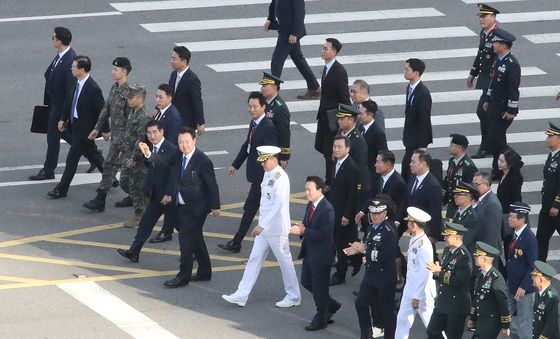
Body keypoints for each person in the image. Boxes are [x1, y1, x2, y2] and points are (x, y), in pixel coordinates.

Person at [222, 146, 300, 307]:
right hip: (265, 228)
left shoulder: (281, 178)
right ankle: (242, 294)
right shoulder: (268, 174)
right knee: (254, 259)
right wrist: (262, 224)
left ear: (273, 159)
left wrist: (262, 225)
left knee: (285, 262)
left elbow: (278, 205)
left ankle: (293, 296)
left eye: (264, 162)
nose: (262, 165)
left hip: (276, 229)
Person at [218, 92, 278, 253]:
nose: (251, 109)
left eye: (255, 107)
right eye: (249, 106)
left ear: (263, 107)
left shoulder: (268, 127)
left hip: (262, 177)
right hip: (257, 176)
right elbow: (248, 145)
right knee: (257, 209)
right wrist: (235, 164)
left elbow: (271, 155)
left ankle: (237, 242)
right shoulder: (254, 123)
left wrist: (265, 176)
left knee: (251, 208)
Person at [163, 127, 220, 288]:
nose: (184, 145)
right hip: (181, 206)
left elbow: (212, 185)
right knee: (195, 238)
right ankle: (205, 271)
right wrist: (148, 154)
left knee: (186, 241)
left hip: (196, 208)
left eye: (187, 142)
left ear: (194, 141)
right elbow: (165, 164)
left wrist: (215, 206)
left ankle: (183, 276)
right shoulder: (178, 156)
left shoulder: (202, 160)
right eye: (181, 142)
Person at [117, 120, 178, 262]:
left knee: (182, 226)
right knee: (145, 223)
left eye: (155, 132)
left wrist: (169, 194)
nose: (152, 135)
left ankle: (194, 253)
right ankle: (134, 251)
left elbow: (170, 170)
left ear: (162, 132)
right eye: (149, 132)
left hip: (169, 197)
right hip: (156, 195)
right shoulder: (151, 147)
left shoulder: (170, 149)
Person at [46, 55, 105, 199]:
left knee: (71, 160)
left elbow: (102, 112)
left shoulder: (93, 88)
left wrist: (105, 130)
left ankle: (62, 189)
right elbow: (68, 102)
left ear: (82, 69)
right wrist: (63, 119)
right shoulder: (77, 83)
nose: (71, 68)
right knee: (94, 155)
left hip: (85, 131)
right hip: (75, 126)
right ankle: (111, 178)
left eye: (73, 66)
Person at [82, 57, 133, 212]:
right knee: (115, 168)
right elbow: (106, 109)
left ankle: (102, 198)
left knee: (118, 168)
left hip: (124, 139)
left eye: (115, 69)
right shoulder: (114, 88)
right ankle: (105, 198)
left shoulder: (130, 93)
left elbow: (132, 120)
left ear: (124, 72)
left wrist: (126, 142)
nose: (112, 72)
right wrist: (97, 128)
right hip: (115, 137)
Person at [31, 27, 81, 181]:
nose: (51, 39)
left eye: (53, 37)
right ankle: (93, 155)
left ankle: (49, 170)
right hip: (54, 103)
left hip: (60, 107)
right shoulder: (61, 55)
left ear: (59, 42)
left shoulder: (69, 60)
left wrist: (64, 115)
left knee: (53, 137)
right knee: (64, 134)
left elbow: (70, 90)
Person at [344, 200, 399, 339]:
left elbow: (385, 255)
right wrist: (356, 251)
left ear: (385, 213)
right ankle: (366, 334)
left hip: (385, 276)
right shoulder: (370, 228)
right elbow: (370, 249)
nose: (375, 216)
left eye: (379, 213)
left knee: (387, 311)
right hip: (371, 274)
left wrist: (364, 250)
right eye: (373, 213)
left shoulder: (389, 231)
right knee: (360, 303)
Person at [291, 176, 340, 330]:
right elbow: (307, 224)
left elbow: (324, 235)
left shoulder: (327, 209)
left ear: (319, 190)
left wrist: (304, 230)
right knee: (306, 281)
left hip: (322, 255)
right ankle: (330, 304)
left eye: (309, 189)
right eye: (305, 189)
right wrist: (300, 229)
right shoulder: (311, 205)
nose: (306, 192)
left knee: (320, 288)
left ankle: (321, 318)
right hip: (310, 252)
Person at [481, 28, 521, 180]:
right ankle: (498, 169)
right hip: (494, 107)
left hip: (504, 109)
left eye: (496, 42)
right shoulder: (498, 60)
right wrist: (487, 99)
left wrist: (511, 109)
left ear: (504, 45)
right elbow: (493, 82)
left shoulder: (512, 64)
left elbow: (513, 88)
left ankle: (515, 161)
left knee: (494, 140)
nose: (493, 44)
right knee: (498, 138)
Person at [395, 207, 436, 339]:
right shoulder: (416, 239)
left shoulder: (424, 245)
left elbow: (425, 273)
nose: (407, 225)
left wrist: (417, 296)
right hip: (410, 288)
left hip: (421, 292)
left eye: (408, 222)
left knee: (431, 325)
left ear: (413, 225)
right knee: (402, 320)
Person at [265, 0, 320, 100]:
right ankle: (314, 87)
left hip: (289, 33)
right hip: (283, 30)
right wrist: (270, 19)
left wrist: (295, 33)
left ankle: (272, 92)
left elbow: (300, 13)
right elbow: (274, 3)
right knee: (299, 60)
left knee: (276, 62)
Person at [426, 222, 472, 339]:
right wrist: (438, 272)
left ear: (457, 237)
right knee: (432, 330)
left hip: (456, 304)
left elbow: (458, 280)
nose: (445, 238)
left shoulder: (464, 256)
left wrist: (439, 273)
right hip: (443, 301)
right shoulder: (448, 251)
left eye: (448, 236)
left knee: (453, 336)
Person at [314, 38, 351, 182]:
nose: (323, 51)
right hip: (324, 116)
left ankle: (331, 180)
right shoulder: (327, 67)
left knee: (331, 151)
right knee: (322, 148)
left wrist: (345, 120)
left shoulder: (339, 71)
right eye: (323, 48)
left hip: (332, 120)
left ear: (334, 52)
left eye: (326, 48)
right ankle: (330, 176)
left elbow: (344, 98)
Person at [328, 135, 360, 285]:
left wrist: (347, 215)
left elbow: (352, 194)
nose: (336, 149)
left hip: (343, 213)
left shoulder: (351, 167)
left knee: (341, 243)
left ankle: (340, 274)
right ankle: (355, 259)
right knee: (341, 241)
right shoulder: (337, 163)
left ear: (347, 149)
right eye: (335, 146)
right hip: (335, 209)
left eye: (339, 147)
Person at [469, 4, 500, 159]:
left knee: (483, 111)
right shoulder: (484, 33)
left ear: (493, 17)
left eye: (485, 16)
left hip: (493, 79)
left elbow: (499, 60)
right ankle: (489, 143)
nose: (481, 19)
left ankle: (488, 145)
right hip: (485, 77)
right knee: (485, 112)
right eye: (480, 16)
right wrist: (473, 73)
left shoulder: (498, 36)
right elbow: (480, 54)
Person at [118, 84, 151, 227]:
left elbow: (141, 141)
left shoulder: (143, 117)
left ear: (139, 99)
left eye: (131, 98)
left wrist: (134, 158)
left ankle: (139, 215)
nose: (128, 100)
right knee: (124, 182)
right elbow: (129, 134)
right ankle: (147, 203)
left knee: (135, 186)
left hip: (138, 158)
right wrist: (123, 150)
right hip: (129, 154)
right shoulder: (133, 111)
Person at [506, 202, 537, 339]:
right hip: (512, 285)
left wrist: (524, 286)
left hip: (524, 289)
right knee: (509, 319)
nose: (509, 219)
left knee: (524, 323)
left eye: (512, 217)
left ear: (522, 219)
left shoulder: (529, 238)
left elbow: (533, 265)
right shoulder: (514, 234)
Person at [467, 241, 511, 338]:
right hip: (481, 320)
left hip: (491, 322)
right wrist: (472, 318)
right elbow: (477, 299)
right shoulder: (481, 275)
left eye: (477, 256)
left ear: (484, 259)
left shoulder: (496, 279)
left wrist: (505, 325)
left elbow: (503, 303)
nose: (474, 257)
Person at [397, 149, 442, 242]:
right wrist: (398, 220)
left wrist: (433, 235)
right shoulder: (413, 177)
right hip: (412, 224)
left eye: (413, 162)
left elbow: (436, 212)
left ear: (423, 164)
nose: (410, 164)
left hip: (424, 230)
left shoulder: (433, 185)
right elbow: (406, 200)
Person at [401, 58, 432, 182]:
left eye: (407, 69)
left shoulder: (423, 93)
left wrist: (422, 146)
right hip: (410, 138)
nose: (405, 72)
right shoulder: (410, 88)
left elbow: (425, 121)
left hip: (416, 141)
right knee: (407, 170)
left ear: (416, 73)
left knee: (410, 172)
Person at [356, 151, 406, 226]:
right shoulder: (378, 177)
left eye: (378, 162)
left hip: (388, 224)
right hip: (376, 220)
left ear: (388, 164)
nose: (375, 165)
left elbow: (401, 207)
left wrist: (396, 223)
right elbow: (372, 196)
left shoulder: (399, 183)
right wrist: (362, 212)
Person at [336, 104, 370, 203]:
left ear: (351, 120)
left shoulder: (358, 141)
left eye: (342, 119)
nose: (339, 121)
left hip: (350, 186)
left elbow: (359, 168)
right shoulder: (340, 132)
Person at [537, 121, 560, 262]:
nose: (547, 139)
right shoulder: (553, 156)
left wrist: (556, 205)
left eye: (550, 137)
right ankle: (540, 268)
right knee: (541, 238)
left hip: (556, 209)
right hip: (547, 206)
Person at [169, 46, 205, 133]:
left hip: (186, 123)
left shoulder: (192, 79)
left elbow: (197, 101)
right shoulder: (174, 74)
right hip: (173, 118)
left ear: (184, 61)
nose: (171, 61)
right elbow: (169, 93)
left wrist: (200, 123)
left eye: (174, 59)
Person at [496, 148, 523, 258]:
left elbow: (516, 199)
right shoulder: (503, 175)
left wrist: (514, 216)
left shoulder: (514, 179)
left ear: (510, 164)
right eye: (499, 160)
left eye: (502, 161)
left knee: (508, 243)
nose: (499, 163)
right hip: (503, 213)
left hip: (509, 215)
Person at [442, 134, 478, 218]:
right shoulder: (452, 161)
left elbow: (472, 189)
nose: (449, 147)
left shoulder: (469, 166)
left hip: (461, 205)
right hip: (452, 203)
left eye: (451, 145)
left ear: (459, 148)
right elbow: (449, 179)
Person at [260, 72, 291, 167]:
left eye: (265, 85)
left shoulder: (280, 108)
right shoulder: (265, 103)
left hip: (274, 152)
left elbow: (284, 133)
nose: (262, 88)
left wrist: (284, 156)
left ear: (274, 87)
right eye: (262, 86)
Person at [358, 100, 388, 196]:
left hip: (371, 175)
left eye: (361, 114)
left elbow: (383, 154)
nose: (358, 116)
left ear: (370, 114)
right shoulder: (360, 127)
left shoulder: (377, 133)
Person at [473, 171, 503, 255]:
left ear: (486, 184)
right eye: (473, 184)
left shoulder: (492, 204)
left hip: (488, 252)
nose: (474, 187)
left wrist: (483, 252)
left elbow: (491, 233)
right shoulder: (481, 199)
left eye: (477, 185)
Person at [531, 261, 560, 339]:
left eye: (534, 276)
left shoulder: (552, 298)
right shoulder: (539, 293)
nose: (532, 278)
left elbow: (551, 324)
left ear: (542, 279)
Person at [451, 181, 480, 255]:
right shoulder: (458, 212)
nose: (455, 196)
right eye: (455, 194)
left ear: (469, 197)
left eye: (459, 194)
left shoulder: (472, 217)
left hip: (465, 254)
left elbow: (466, 240)